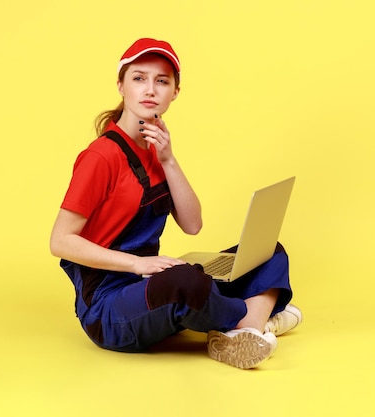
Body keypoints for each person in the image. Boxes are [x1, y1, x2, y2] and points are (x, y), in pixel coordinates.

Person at [50, 38, 302, 369]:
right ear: (121, 86)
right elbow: (60, 241)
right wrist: (137, 265)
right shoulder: (100, 156)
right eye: (139, 78)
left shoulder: (157, 149)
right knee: (184, 282)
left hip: (150, 286)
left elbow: (192, 224)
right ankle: (255, 320)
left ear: (175, 93)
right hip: (109, 310)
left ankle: (249, 324)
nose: (150, 89)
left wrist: (168, 160)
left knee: (267, 251)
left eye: (162, 81)